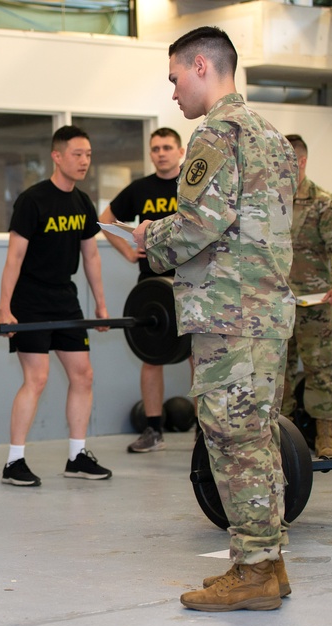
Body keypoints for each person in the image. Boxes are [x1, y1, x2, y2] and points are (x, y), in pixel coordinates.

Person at [132, 26, 299, 612]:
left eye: (176, 77)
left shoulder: (215, 135)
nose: (174, 92)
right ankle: (267, 563)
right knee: (257, 438)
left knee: (233, 439)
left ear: (202, 66)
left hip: (229, 316)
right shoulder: (272, 137)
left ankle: (253, 571)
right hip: (264, 312)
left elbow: (199, 224)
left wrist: (147, 238)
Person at [0, 125, 113, 487]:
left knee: (84, 375)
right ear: (57, 156)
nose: (84, 161)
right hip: (30, 301)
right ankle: (13, 462)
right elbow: (14, 257)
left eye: (88, 155)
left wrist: (101, 304)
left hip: (66, 299)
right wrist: (5, 309)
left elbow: (91, 256)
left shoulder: (82, 202)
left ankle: (76, 456)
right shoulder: (32, 200)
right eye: (77, 154)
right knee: (38, 378)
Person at [100, 127, 189, 453]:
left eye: (167, 147)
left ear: (180, 151)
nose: (161, 153)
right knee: (152, 358)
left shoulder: (192, 183)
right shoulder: (140, 189)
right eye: (155, 148)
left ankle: (204, 434)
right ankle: (153, 430)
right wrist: (126, 251)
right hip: (152, 285)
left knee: (198, 355)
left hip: (190, 282)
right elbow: (106, 219)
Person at [279, 134, 332, 459]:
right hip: (277, 304)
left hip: (314, 303)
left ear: (301, 161)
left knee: (319, 370)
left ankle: (326, 437)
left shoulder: (324, 202)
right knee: (278, 373)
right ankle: (282, 438)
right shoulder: (269, 202)